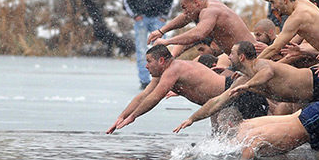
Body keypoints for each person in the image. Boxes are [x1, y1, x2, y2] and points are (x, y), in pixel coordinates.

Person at [174, 40, 319, 132]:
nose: (228, 57)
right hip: (310, 97)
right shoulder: (242, 80)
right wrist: (192, 118)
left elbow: (267, 74)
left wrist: (247, 87)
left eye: (232, 54)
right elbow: (217, 101)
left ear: (242, 57)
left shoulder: (260, 66)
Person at [106, 45, 267, 134]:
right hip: (221, 103)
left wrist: (133, 117)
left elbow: (155, 97)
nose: (146, 66)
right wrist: (122, 116)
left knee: (257, 133)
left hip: (237, 94)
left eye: (149, 61)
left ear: (161, 60)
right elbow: (144, 96)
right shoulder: (162, 74)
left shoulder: (174, 70)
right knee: (225, 136)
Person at [149, 0, 258, 57]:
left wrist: (168, 42)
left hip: (251, 58)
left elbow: (197, 34)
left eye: (185, 8)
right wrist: (161, 31)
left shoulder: (210, 11)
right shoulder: (206, 6)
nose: (184, 12)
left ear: (196, 2)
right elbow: (185, 18)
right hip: (239, 58)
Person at [124, 0, 174, 89]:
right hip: (141, 19)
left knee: (161, 50)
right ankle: (144, 81)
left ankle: (163, 79)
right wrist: (135, 15)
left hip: (159, 19)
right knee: (141, 50)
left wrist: (164, 16)